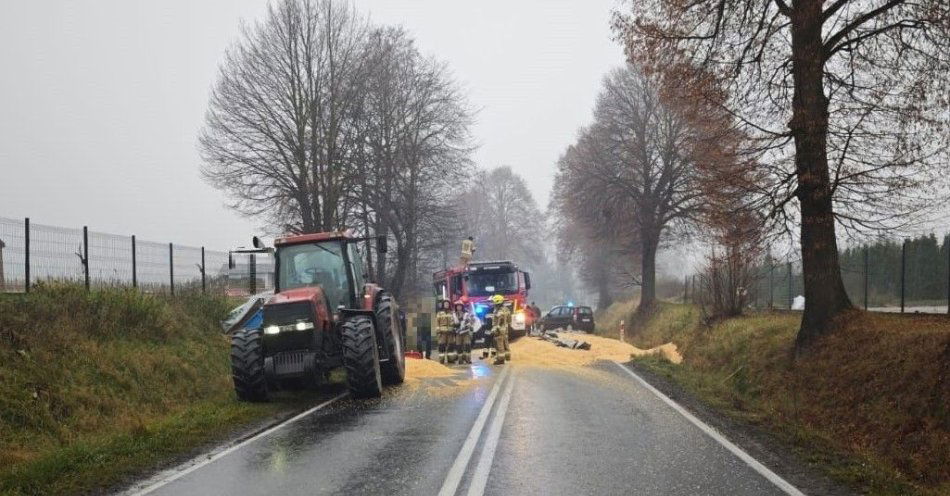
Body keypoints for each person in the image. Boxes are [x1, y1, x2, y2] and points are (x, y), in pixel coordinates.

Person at [489, 294, 512, 365]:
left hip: (499, 329)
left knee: (499, 344)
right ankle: (507, 356)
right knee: (505, 342)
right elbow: (509, 319)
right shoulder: (506, 309)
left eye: (493, 302)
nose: (493, 303)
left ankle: (500, 359)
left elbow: (498, 321)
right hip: (505, 328)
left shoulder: (498, 311)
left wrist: (495, 329)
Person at [453, 298, 475, 364]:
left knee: (467, 345)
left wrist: (468, 325)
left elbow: (471, 321)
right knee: (458, 346)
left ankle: (468, 359)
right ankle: (460, 360)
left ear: (462, 307)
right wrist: (455, 325)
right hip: (458, 333)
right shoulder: (453, 315)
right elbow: (451, 322)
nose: (458, 307)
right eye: (457, 306)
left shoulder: (466, 314)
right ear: (456, 307)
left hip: (466, 333)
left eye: (460, 306)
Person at [435, 299, 455, 364]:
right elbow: (437, 322)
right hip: (442, 332)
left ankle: (451, 359)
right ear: (443, 304)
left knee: (451, 346)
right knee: (441, 346)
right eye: (445, 303)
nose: (446, 305)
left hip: (450, 332)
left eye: (447, 304)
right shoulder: (439, 313)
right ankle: (441, 360)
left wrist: (454, 329)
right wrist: (438, 331)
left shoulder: (452, 312)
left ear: (449, 305)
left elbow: (454, 321)